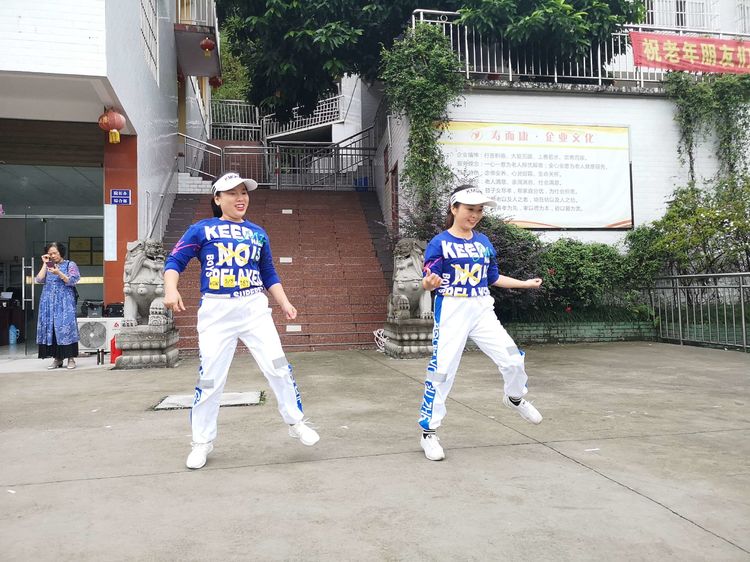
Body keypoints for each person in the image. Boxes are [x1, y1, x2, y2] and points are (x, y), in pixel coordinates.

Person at [164, 171, 320, 470]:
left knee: (278, 366)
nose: (241, 198)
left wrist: (284, 302)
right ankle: (201, 441)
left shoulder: (257, 233)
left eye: (244, 193)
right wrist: (171, 289)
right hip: (216, 311)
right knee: (210, 379)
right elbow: (175, 261)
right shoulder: (201, 229)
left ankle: (296, 421)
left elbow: (268, 272)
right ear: (217, 198)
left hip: (253, 309)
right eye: (233, 193)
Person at [418, 185, 544, 461]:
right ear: (454, 209)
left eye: (479, 210)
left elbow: (492, 278)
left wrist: (524, 284)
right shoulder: (439, 243)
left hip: (482, 310)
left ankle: (514, 397)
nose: (474, 215)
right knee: (442, 371)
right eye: (469, 209)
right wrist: (429, 283)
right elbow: (428, 278)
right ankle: (428, 432)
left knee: (513, 359)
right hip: (452, 310)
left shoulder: (484, 242)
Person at [35, 242, 80, 369]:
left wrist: (58, 273)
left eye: (55, 253)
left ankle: (71, 359)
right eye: (50, 254)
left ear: (61, 252)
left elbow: (73, 280)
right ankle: (57, 359)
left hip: (65, 301)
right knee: (52, 328)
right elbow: (39, 279)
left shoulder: (70, 264)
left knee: (66, 327)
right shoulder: (48, 265)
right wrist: (45, 263)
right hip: (48, 302)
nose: (53, 256)